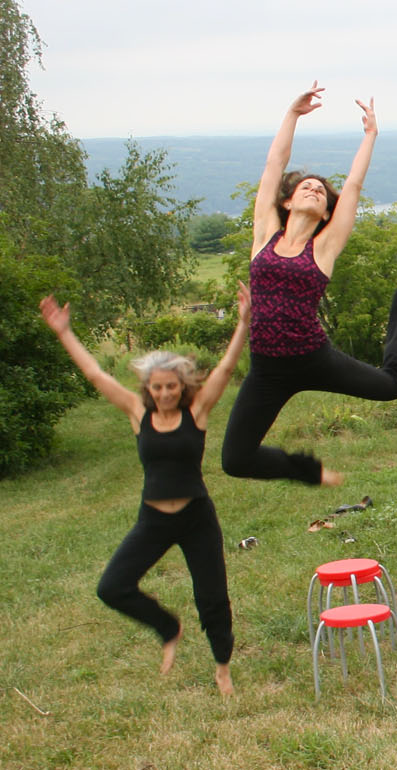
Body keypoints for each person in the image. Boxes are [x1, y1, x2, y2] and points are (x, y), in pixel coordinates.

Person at [39, 284, 252, 695]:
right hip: (153, 519)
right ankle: (168, 627)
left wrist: (242, 323)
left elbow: (225, 370)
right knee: (112, 587)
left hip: (195, 518)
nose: (165, 393)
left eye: (171, 386)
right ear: (148, 389)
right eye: (157, 387)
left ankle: (222, 665)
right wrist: (64, 332)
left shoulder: (197, 410)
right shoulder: (138, 413)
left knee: (212, 599)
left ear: (182, 385)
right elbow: (95, 374)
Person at [220, 82, 397, 486]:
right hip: (266, 368)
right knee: (235, 459)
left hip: (312, 356)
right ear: (287, 201)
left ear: (325, 210)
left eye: (320, 191)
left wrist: (370, 136)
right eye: (305, 187)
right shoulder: (265, 233)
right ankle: (308, 471)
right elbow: (273, 165)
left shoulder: (325, 246)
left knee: (390, 386)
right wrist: (292, 115)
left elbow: (351, 187)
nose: (314, 190)